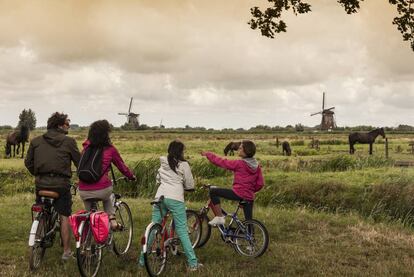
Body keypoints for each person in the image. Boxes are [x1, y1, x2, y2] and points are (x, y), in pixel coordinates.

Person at [139, 140, 203, 272]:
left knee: (154, 227)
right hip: (175, 198)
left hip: (160, 197)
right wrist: (187, 188)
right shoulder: (183, 164)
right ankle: (192, 263)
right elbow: (190, 184)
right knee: (182, 231)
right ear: (181, 152)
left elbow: (158, 179)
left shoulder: (163, 163)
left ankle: (142, 261)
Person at [25, 112, 80, 260]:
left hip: (41, 183)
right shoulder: (69, 142)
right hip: (61, 185)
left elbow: (28, 163)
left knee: (41, 207)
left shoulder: (36, 141)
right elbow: (79, 163)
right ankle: (67, 252)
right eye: (66, 124)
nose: (68, 126)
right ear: (59, 126)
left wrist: (38, 174)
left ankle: (39, 227)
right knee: (64, 216)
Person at [77, 120, 136, 230]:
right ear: (106, 134)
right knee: (108, 195)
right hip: (102, 190)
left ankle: (86, 241)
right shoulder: (110, 149)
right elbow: (122, 167)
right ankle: (112, 220)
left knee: (89, 216)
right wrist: (131, 176)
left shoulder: (85, 149)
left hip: (83, 190)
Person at [201, 140, 264, 226]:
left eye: (241, 148)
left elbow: (222, 162)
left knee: (213, 191)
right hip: (249, 196)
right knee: (249, 221)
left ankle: (219, 217)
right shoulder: (257, 166)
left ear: (246, 150)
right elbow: (260, 184)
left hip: (239, 193)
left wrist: (209, 154)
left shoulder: (239, 163)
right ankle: (250, 235)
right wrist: (250, 191)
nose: (238, 149)